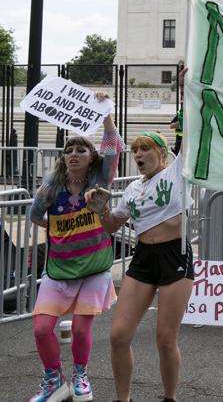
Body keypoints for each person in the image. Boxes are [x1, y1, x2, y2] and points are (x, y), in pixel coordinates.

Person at [27, 94, 123, 402]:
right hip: (59, 268)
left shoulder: (100, 177)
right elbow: (34, 215)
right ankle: (54, 378)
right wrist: (60, 231)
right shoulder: (51, 187)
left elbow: (113, 147)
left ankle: (81, 373)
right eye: (68, 149)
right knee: (42, 329)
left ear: (91, 157)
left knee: (82, 330)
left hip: (94, 267)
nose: (73, 153)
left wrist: (107, 114)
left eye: (81, 149)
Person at [94, 131, 193, 402]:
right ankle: (122, 399)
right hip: (144, 257)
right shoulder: (133, 189)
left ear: (161, 153)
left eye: (145, 149)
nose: (138, 155)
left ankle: (169, 397)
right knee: (118, 335)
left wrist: (188, 100)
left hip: (175, 255)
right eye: (135, 150)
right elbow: (111, 225)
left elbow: (192, 134)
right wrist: (100, 209)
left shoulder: (177, 173)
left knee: (164, 338)